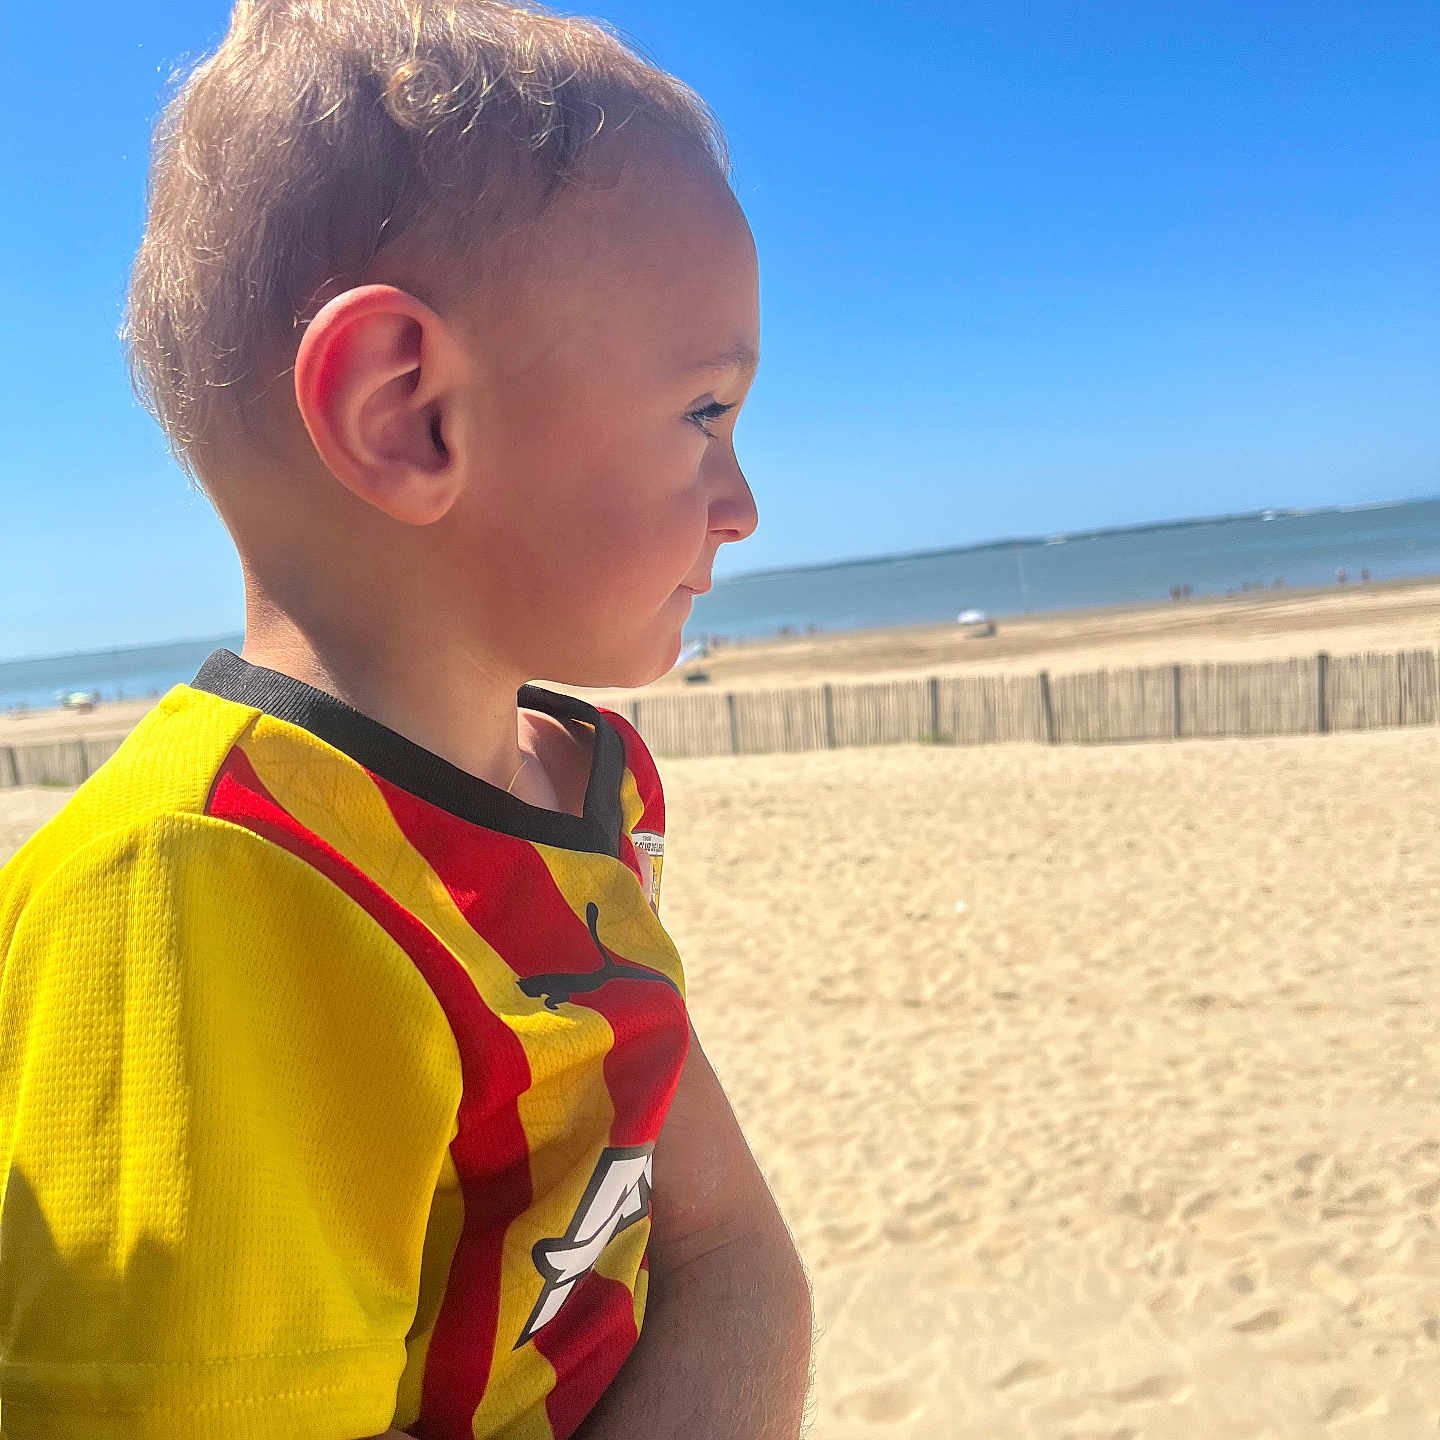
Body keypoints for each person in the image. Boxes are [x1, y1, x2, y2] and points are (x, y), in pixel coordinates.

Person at [0, 4, 812, 1438]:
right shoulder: (212, 896)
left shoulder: (580, 782)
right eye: (704, 412)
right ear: (407, 412)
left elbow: (726, 1246)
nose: (743, 506)